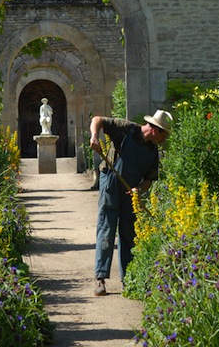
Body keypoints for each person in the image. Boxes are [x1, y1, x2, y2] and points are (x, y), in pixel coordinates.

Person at [89, 109, 173, 296]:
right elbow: (98, 119)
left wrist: (139, 189)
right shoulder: (126, 129)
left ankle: (128, 280)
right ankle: (100, 279)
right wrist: (95, 137)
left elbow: (150, 179)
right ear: (155, 130)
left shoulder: (152, 151)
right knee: (106, 229)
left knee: (129, 234)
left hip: (130, 192)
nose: (164, 139)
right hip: (111, 183)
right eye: (164, 134)